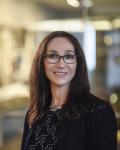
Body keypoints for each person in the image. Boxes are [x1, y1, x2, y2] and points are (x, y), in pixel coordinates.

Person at [21, 31, 117, 150]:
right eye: (53, 56)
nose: (61, 64)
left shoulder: (98, 111)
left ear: (78, 63)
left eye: (69, 56)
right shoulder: (34, 113)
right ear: (41, 62)